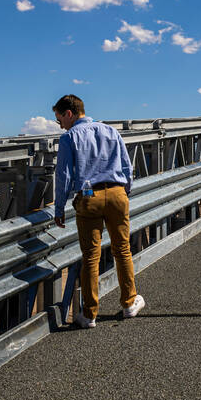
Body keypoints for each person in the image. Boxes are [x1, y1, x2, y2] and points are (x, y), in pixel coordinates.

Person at [52, 94, 145, 328]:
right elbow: (126, 166)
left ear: (69, 114)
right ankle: (129, 303)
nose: (60, 124)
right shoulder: (111, 131)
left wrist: (60, 207)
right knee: (122, 249)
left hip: (88, 197)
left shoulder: (68, 137)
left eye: (59, 119)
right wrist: (123, 192)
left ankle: (89, 314)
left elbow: (63, 176)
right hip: (116, 194)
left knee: (91, 256)